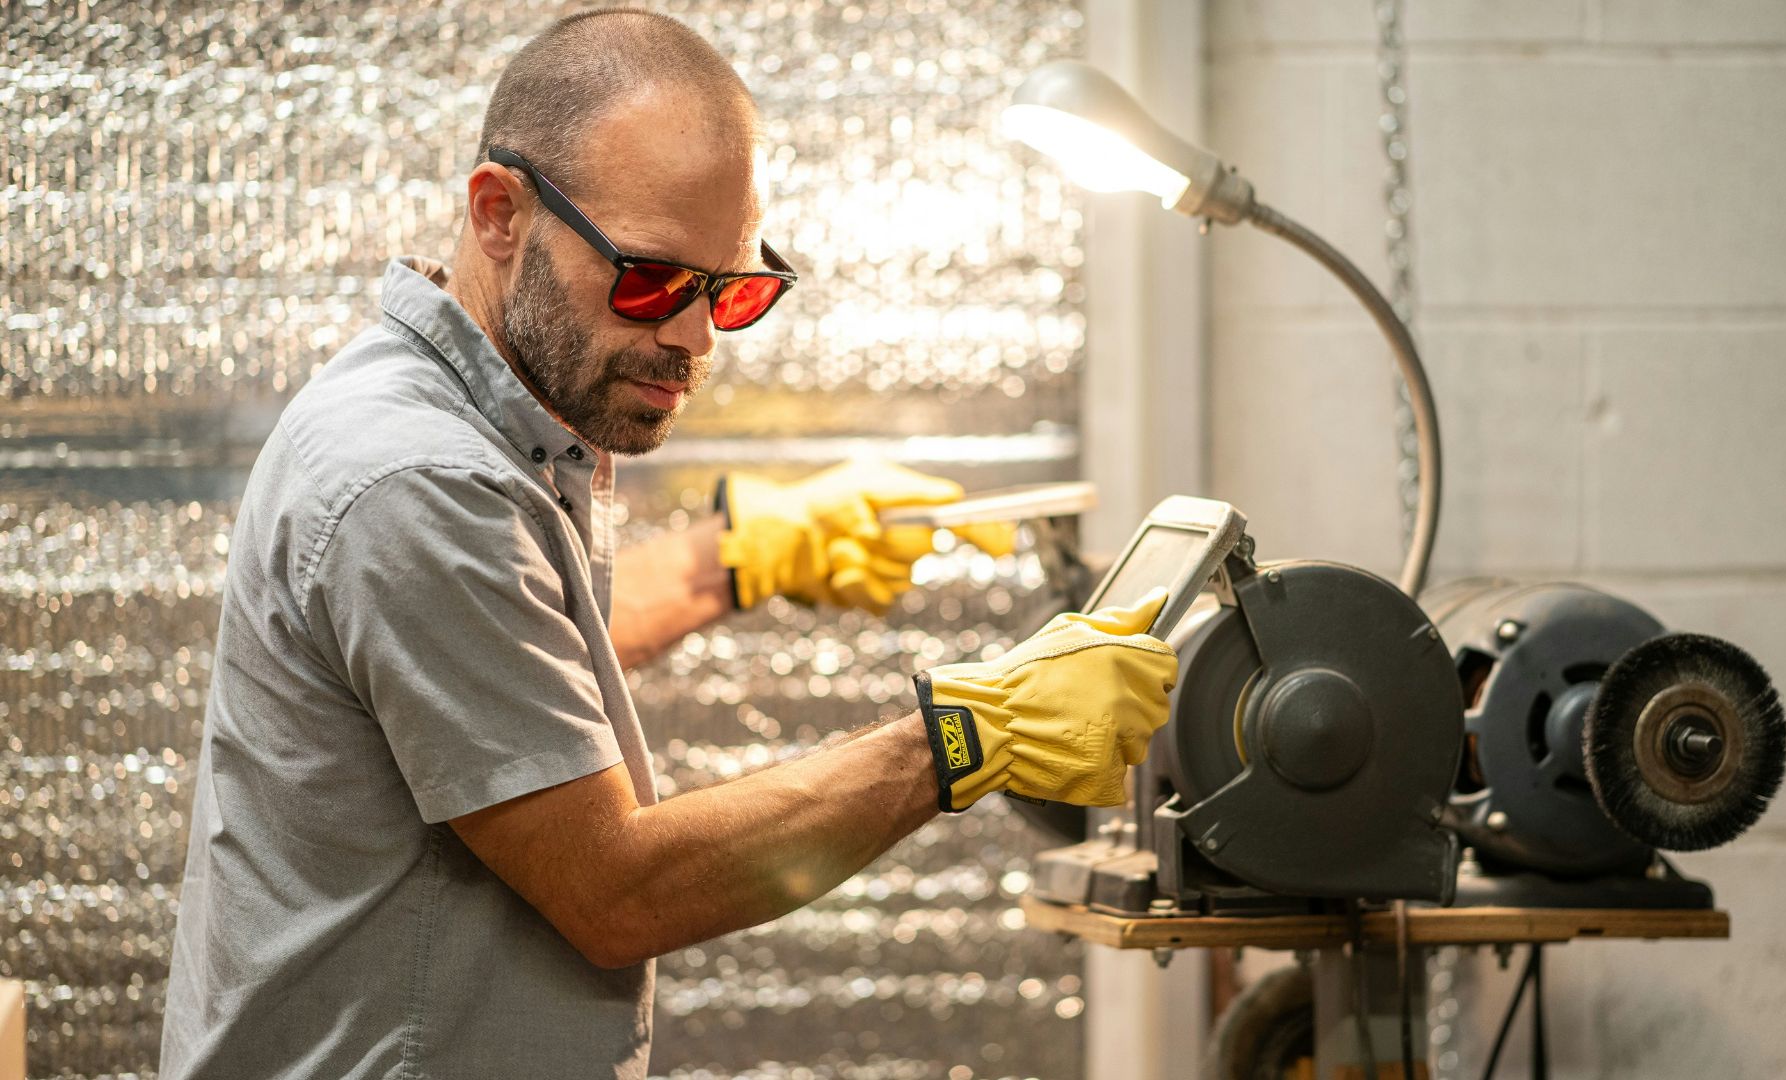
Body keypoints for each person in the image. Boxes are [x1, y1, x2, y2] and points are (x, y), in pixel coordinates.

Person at [159, 9, 1176, 1079]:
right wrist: (962, 738)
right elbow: (617, 890)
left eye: (730, 290)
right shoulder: (420, 481)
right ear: (501, 213)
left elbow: (511, 651)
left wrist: (730, 560)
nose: (691, 337)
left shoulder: (458, 416)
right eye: (648, 279)